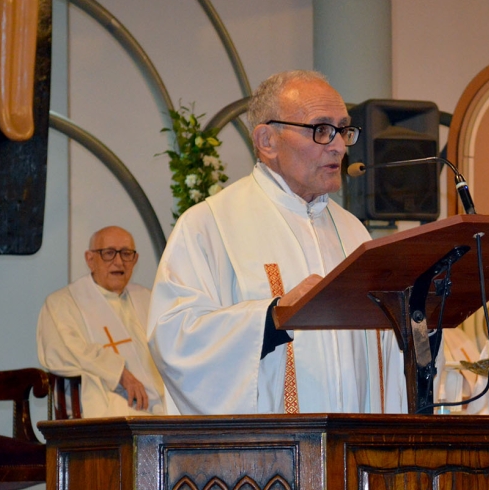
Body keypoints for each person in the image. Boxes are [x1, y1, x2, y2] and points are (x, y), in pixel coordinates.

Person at [147, 70, 406, 415]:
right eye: (321, 129)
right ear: (267, 140)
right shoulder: (210, 225)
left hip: (351, 453)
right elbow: (174, 338)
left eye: (343, 130)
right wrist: (270, 318)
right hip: (267, 461)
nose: (340, 146)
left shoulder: (353, 232)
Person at [37, 226, 166, 417]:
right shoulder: (62, 303)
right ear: (90, 259)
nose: (119, 262)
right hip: (106, 402)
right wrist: (119, 372)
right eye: (109, 253)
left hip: (161, 404)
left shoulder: (149, 299)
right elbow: (63, 351)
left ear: (135, 260)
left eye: (126, 254)